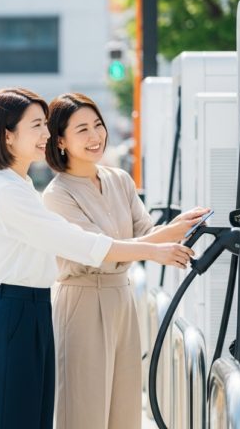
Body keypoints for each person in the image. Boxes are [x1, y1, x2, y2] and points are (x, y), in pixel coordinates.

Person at [0, 87, 194, 429]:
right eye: (36, 126)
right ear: (7, 136)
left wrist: (171, 234)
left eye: (45, 124)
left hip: (33, 310)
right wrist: (153, 249)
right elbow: (79, 243)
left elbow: (113, 237)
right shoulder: (11, 193)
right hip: (12, 313)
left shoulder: (22, 187)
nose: (45, 134)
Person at [40, 92, 208, 429]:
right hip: (81, 301)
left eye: (98, 125)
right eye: (82, 129)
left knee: (125, 410)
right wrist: (160, 243)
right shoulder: (57, 195)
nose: (95, 136)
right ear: (60, 140)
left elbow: (146, 233)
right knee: (84, 412)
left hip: (122, 297)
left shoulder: (119, 180)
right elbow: (101, 250)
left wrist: (179, 227)